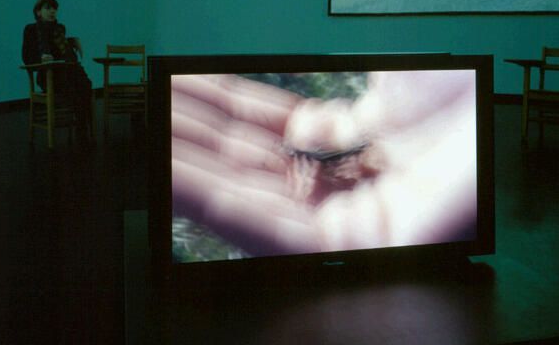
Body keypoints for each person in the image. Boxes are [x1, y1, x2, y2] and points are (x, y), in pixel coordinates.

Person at [170, 70, 478, 259]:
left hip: (342, 154)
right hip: (333, 155)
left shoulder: (341, 156)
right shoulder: (308, 158)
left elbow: (336, 160)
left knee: (343, 159)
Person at [22, 0, 93, 140]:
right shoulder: (31, 29)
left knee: (85, 84)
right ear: (38, 12)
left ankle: (82, 126)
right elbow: (27, 56)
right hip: (48, 76)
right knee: (74, 87)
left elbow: (61, 51)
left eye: (54, 8)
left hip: (66, 73)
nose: (52, 11)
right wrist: (41, 59)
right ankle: (82, 127)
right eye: (47, 8)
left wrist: (72, 42)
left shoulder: (60, 29)